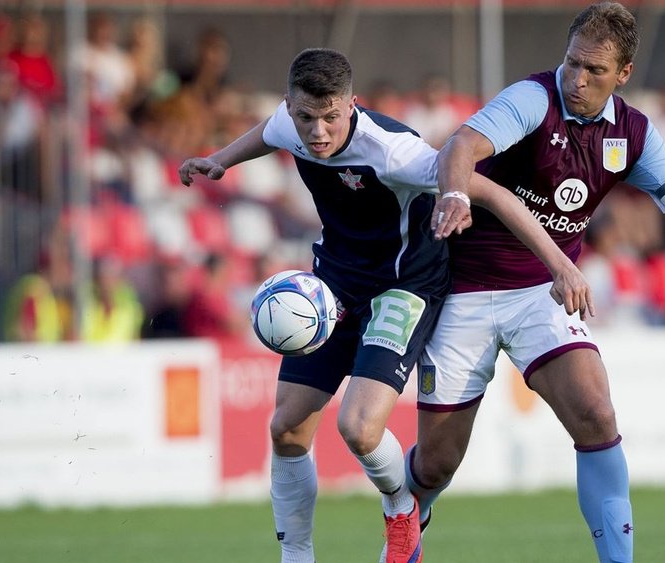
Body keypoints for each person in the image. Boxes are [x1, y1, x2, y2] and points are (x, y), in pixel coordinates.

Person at [178, 48, 589, 563]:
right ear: (291, 106)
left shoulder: (394, 152)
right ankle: (297, 555)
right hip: (336, 287)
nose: (318, 132)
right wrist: (219, 160)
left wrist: (560, 264)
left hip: (404, 285)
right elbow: (268, 131)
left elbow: (494, 195)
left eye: (331, 117)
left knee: (358, 428)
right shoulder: (291, 123)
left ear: (352, 105)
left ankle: (402, 507)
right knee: (286, 428)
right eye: (306, 117)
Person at [409, 3, 665, 562]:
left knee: (596, 412)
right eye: (572, 63)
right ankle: (407, 518)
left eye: (594, 70)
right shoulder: (532, 99)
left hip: (543, 293)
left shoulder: (634, 133)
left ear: (622, 74)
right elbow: (462, 147)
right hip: (466, 290)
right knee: (434, 465)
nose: (576, 79)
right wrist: (454, 193)